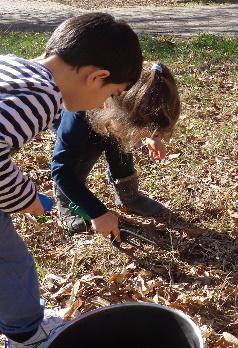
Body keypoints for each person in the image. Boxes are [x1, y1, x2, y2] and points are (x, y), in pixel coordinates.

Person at [0, 12, 142, 348]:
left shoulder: (13, 67)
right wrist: (26, 198)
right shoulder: (42, 96)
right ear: (97, 77)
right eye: (112, 94)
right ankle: (27, 337)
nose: (104, 105)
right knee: (10, 261)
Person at [52, 62, 180, 239]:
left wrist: (153, 137)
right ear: (110, 110)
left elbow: (142, 122)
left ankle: (129, 197)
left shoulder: (134, 93)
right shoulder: (76, 120)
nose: (140, 139)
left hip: (112, 120)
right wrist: (97, 212)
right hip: (80, 127)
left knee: (120, 145)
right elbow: (61, 169)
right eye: (142, 132)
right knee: (81, 160)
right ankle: (69, 203)